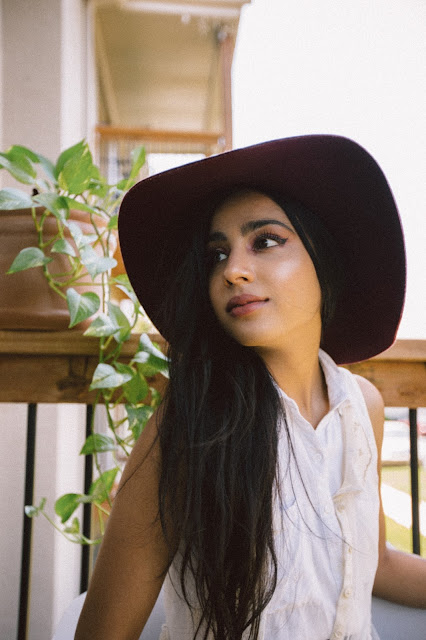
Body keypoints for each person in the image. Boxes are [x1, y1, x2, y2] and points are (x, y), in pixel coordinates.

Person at [75, 135, 426, 640]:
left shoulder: (361, 406)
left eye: (264, 241)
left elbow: (379, 564)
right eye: (217, 254)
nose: (233, 271)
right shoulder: (190, 423)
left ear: (323, 261)